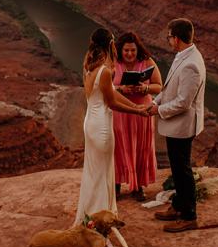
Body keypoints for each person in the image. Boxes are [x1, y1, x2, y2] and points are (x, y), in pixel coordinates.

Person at [74, 27, 149, 226]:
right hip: (102, 127)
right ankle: (99, 219)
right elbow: (112, 103)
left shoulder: (89, 67)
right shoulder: (105, 71)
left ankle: (93, 214)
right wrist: (138, 111)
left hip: (90, 122)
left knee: (94, 170)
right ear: (109, 45)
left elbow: (113, 93)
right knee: (102, 171)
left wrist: (135, 105)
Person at [145, 18, 206, 233]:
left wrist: (158, 111)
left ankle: (189, 215)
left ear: (176, 38)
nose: (168, 41)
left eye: (169, 37)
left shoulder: (191, 64)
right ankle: (179, 205)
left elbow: (183, 102)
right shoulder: (184, 56)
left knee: (182, 170)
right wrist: (155, 102)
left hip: (182, 127)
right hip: (175, 125)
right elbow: (169, 88)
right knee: (178, 168)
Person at [112, 31, 163, 202]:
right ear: (120, 50)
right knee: (118, 147)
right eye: (126, 50)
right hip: (120, 112)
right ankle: (116, 184)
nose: (129, 54)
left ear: (137, 49)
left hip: (142, 111)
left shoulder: (147, 61)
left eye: (132, 50)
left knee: (141, 147)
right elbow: (104, 87)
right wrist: (121, 89)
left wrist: (145, 88)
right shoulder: (113, 63)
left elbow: (159, 86)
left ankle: (138, 187)